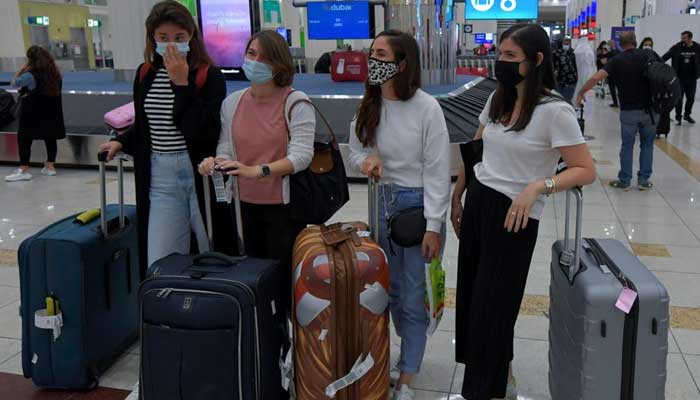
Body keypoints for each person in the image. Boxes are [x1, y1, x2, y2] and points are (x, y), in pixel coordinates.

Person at [451, 24, 595, 400]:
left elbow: (585, 170)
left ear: (537, 60)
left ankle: (484, 390)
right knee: (471, 298)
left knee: (493, 307)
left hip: (513, 216)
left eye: (511, 56)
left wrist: (538, 186)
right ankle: (499, 376)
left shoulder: (554, 111)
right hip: (480, 202)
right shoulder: (497, 99)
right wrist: (457, 196)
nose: (502, 62)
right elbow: (477, 149)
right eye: (500, 54)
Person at [349, 30, 450, 400]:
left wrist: (434, 226)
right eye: (371, 52)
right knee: (386, 290)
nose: (371, 60)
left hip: (416, 207)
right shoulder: (370, 104)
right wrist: (366, 160)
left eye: (380, 54)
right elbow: (354, 149)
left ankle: (408, 374)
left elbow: (438, 170)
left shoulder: (426, 108)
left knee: (412, 294)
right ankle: (404, 355)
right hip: (382, 203)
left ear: (401, 63)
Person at [99, 0, 228, 275]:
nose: (171, 44)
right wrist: (122, 140)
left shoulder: (209, 76)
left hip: (200, 172)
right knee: (160, 259)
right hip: (160, 175)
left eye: (179, 38)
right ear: (153, 38)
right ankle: (167, 312)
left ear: (191, 36)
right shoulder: (145, 74)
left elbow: (204, 131)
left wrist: (182, 84)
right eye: (163, 37)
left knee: (212, 253)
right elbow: (148, 124)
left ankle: (214, 309)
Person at [198, 30, 315, 314]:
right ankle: (259, 339)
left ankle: (288, 340)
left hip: (284, 210)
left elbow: (301, 156)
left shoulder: (296, 103)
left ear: (279, 65)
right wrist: (217, 163)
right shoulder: (233, 103)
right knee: (251, 278)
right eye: (251, 54)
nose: (255, 61)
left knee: (284, 281)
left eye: (264, 57)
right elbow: (227, 146)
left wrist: (257, 171)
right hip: (243, 206)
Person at [578, 31, 657, 191]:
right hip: (651, 109)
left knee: (627, 145)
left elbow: (596, 77)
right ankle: (643, 181)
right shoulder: (649, 55)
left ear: (620, 44)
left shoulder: (617, 60)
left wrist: (581, 92)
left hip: (629, 110)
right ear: (636, 41)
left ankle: (625, 180)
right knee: (647, 145)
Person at [4, 46, 65, 182]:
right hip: (52, 113)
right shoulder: (55, 74)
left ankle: (24, 169)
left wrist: (23, 69)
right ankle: (50, 167)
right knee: (50, 138)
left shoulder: (30, 74)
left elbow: (15, 83)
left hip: (32, 113)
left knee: (24, 138)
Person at [662, 31, 700, 125]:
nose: (682, 40)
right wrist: (658, 63)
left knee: (690, 98)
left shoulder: (697, 47)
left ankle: (687, 115)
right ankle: (678, 117)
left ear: (690, 38)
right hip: (679, 79)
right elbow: (665, 56)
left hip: (692, 79)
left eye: (684, 38)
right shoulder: (677, 47)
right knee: (679, 98)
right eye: (681, 37)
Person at [553, 37, 578, 102]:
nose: (567, 43)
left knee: (564, 100)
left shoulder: (572, 52)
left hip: (568, 80)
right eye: (565, 41)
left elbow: (574, 66)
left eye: (568, 41)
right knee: (563, 99)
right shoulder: (558, 53)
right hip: (562, 79)